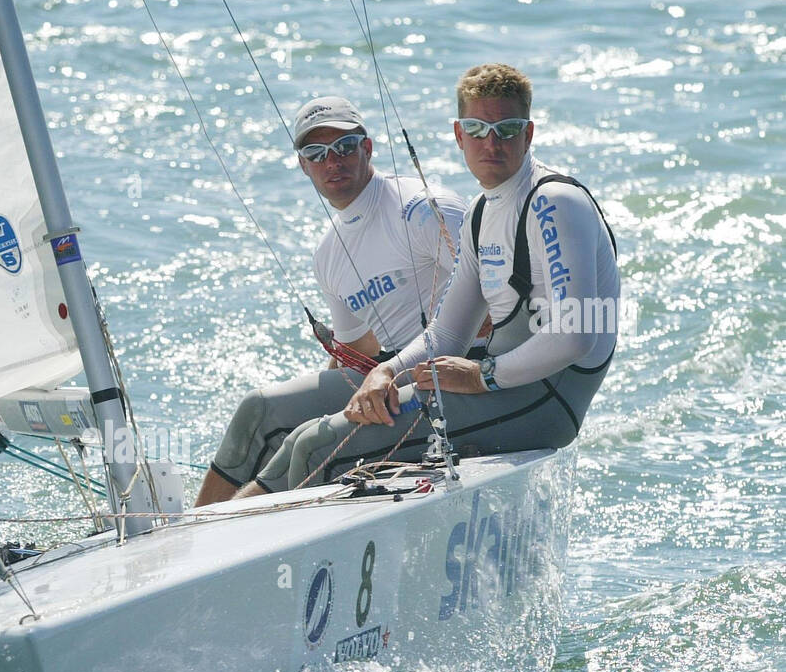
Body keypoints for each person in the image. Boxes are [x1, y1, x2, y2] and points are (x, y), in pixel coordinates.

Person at [234, 63, 619, 495]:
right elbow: (449, 332)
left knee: (318, 447)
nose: (491, 142)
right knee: (300, 441)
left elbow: (576, 335)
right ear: (459, 136)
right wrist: (385, 371)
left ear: (528, 134)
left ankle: (242, 549)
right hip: (502, 386)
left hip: (545, 400)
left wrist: (480, 377)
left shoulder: (554, 201)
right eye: (477, 129)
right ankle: (203, 539)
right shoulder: (480, 213)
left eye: (507, 129)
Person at [193, 96, 466, 506]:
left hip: (441, 375)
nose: (332, 161)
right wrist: (327, 402)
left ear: (367, 148)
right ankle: (189, 532)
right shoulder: (328, 254)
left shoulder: (422, 209)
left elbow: (489, 304)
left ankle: (222, 537)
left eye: (344, 147)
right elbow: (355, 353)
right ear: (304, 166)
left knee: (306, 443)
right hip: (384, 375)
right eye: (316, 153)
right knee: (258, 411)